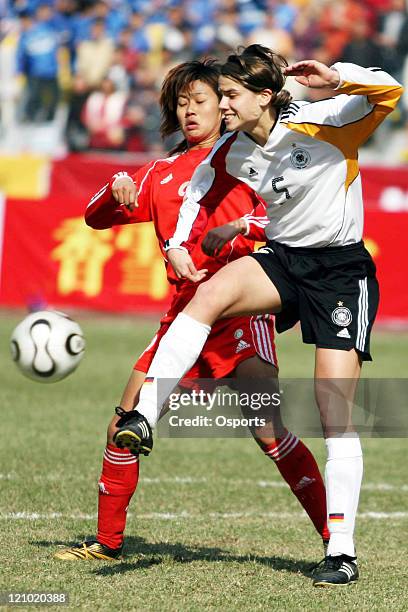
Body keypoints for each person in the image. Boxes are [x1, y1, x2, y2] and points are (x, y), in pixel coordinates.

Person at [113, 45, 403, 586]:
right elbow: (197, 191)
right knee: (207, 297)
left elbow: (390, 90)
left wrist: (337, 76)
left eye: (228, 95)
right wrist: (179, 243)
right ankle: (144, 416)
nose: (220, 105)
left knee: (332, 410)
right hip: (283, 259)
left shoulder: (326, 119)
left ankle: (341, 551)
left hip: (340, 271)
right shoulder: (232, 146)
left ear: (264, 96)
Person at [55, 59, 329, 562]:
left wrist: (242, 229)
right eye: (181, 103)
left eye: (200, 100)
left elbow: (286, 220)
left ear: (225, 107)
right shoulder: (161, 173)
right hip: (180, 318)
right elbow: (94, 216)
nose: (190, 111)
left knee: (268, 429)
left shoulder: (247, 158)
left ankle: (337, 544)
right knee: (123, 425)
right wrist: (115, 186)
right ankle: (106, 544)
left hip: (239, 313)